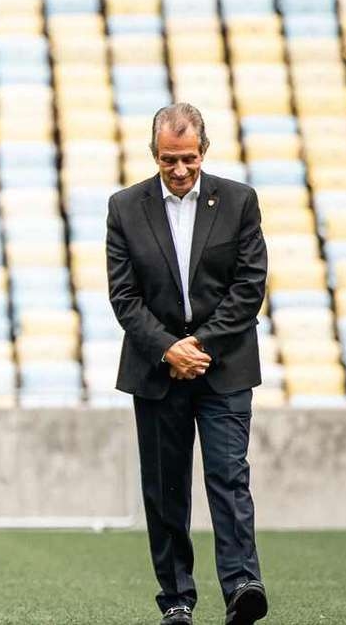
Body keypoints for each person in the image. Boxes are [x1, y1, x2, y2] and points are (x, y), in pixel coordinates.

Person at [106, 103, 269, 625]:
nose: (180, 170)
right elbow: (123, 295)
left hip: (224, 368)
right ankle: (176, 598)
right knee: (165, 488)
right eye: (169, 159)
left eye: (190, 159)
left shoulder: (240, 201)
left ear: (205, 151)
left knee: (228, 475)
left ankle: (243, 583)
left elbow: (249, 287)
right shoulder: (124, 207)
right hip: (155, 371)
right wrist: (166, 348)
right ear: (153, 153)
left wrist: (198, 345)